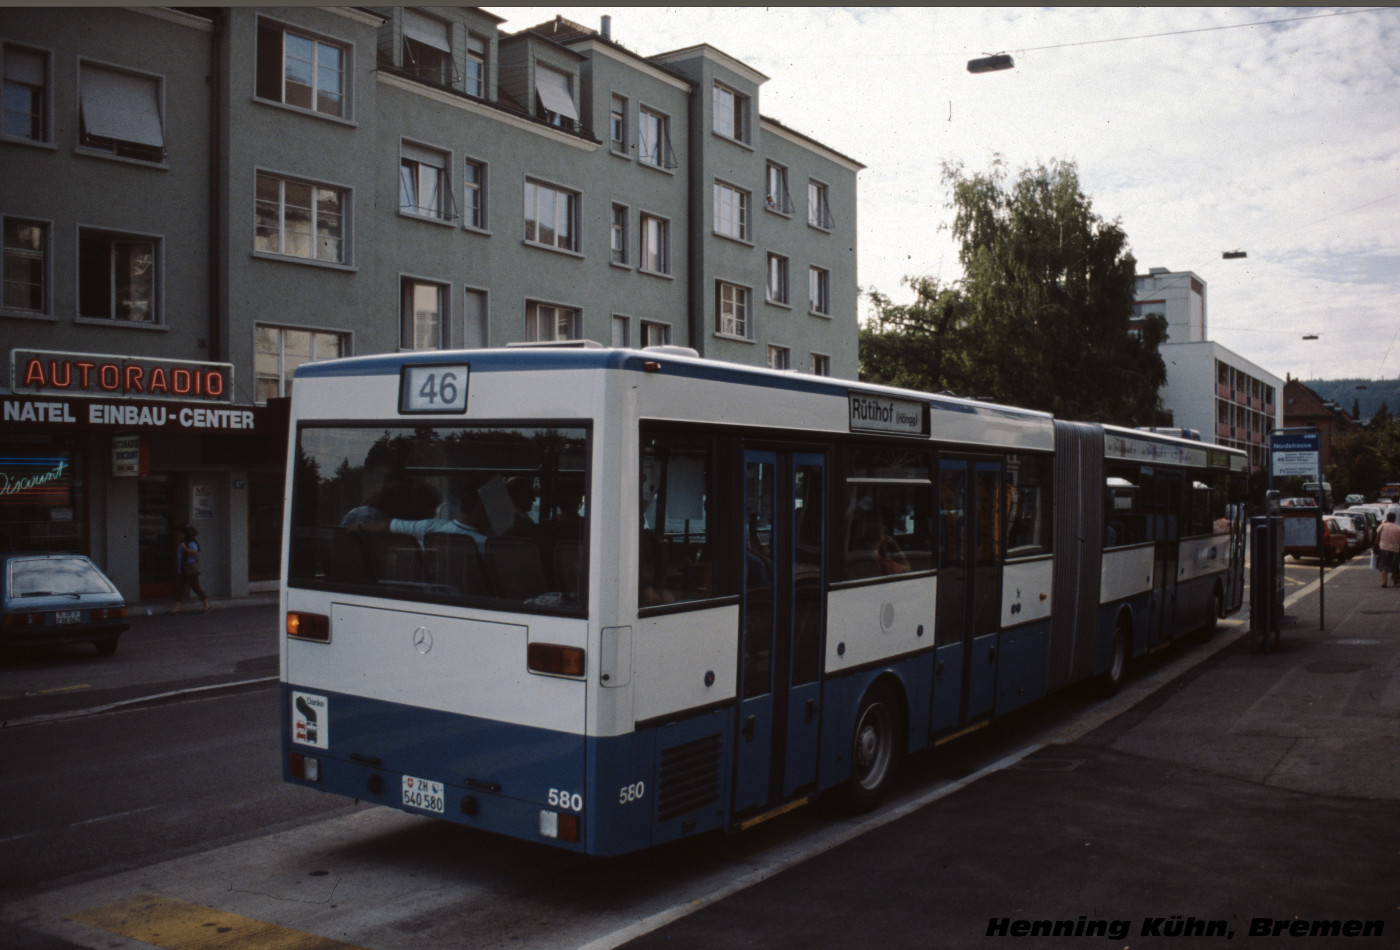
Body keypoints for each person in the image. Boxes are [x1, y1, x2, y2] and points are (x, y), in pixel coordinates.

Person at [172, 524, 211, 614]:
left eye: (179, 532)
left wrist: (184, 548)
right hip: (182, 568)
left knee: (196, 587)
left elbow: (194, 552)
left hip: (189, 568)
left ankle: (207, 604)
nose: (178, 534)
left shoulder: (190, 542)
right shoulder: (183, 541)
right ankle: (176, 608)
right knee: (179, 588)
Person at [1375, 511, 1400, 587]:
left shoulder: (1383, 526)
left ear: (1387, 518)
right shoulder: (1398, 527)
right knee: (1394, 565)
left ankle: (1384, 582)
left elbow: (1378, 534)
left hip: (1384, 547)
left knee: (1383, 565)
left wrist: (1376, 544)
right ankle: (1395, 579)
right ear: (1394, 519)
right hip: (1395, 549)